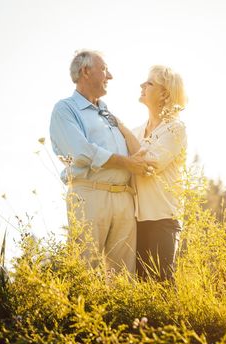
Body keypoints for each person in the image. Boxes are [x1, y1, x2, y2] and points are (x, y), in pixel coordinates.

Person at [49, 50, 152, 273]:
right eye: (104, 69)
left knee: (124, 277)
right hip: (90, 195)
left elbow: (136, 152)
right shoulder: (66, 109)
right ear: (86, 71)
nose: (110, 76)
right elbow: (81, 152)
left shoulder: (107, 112)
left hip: (124, 197)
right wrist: (128, 164)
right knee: (84, 270)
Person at [118, 65, 188, 280]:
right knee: (140, 286)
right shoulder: (137, 131)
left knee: (162, 286)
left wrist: (121, 128)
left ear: (164, 93)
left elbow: (149, 165)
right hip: (135, 221)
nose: (142, 85)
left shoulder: (175, 128)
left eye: (149, 83)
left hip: (163, 219)